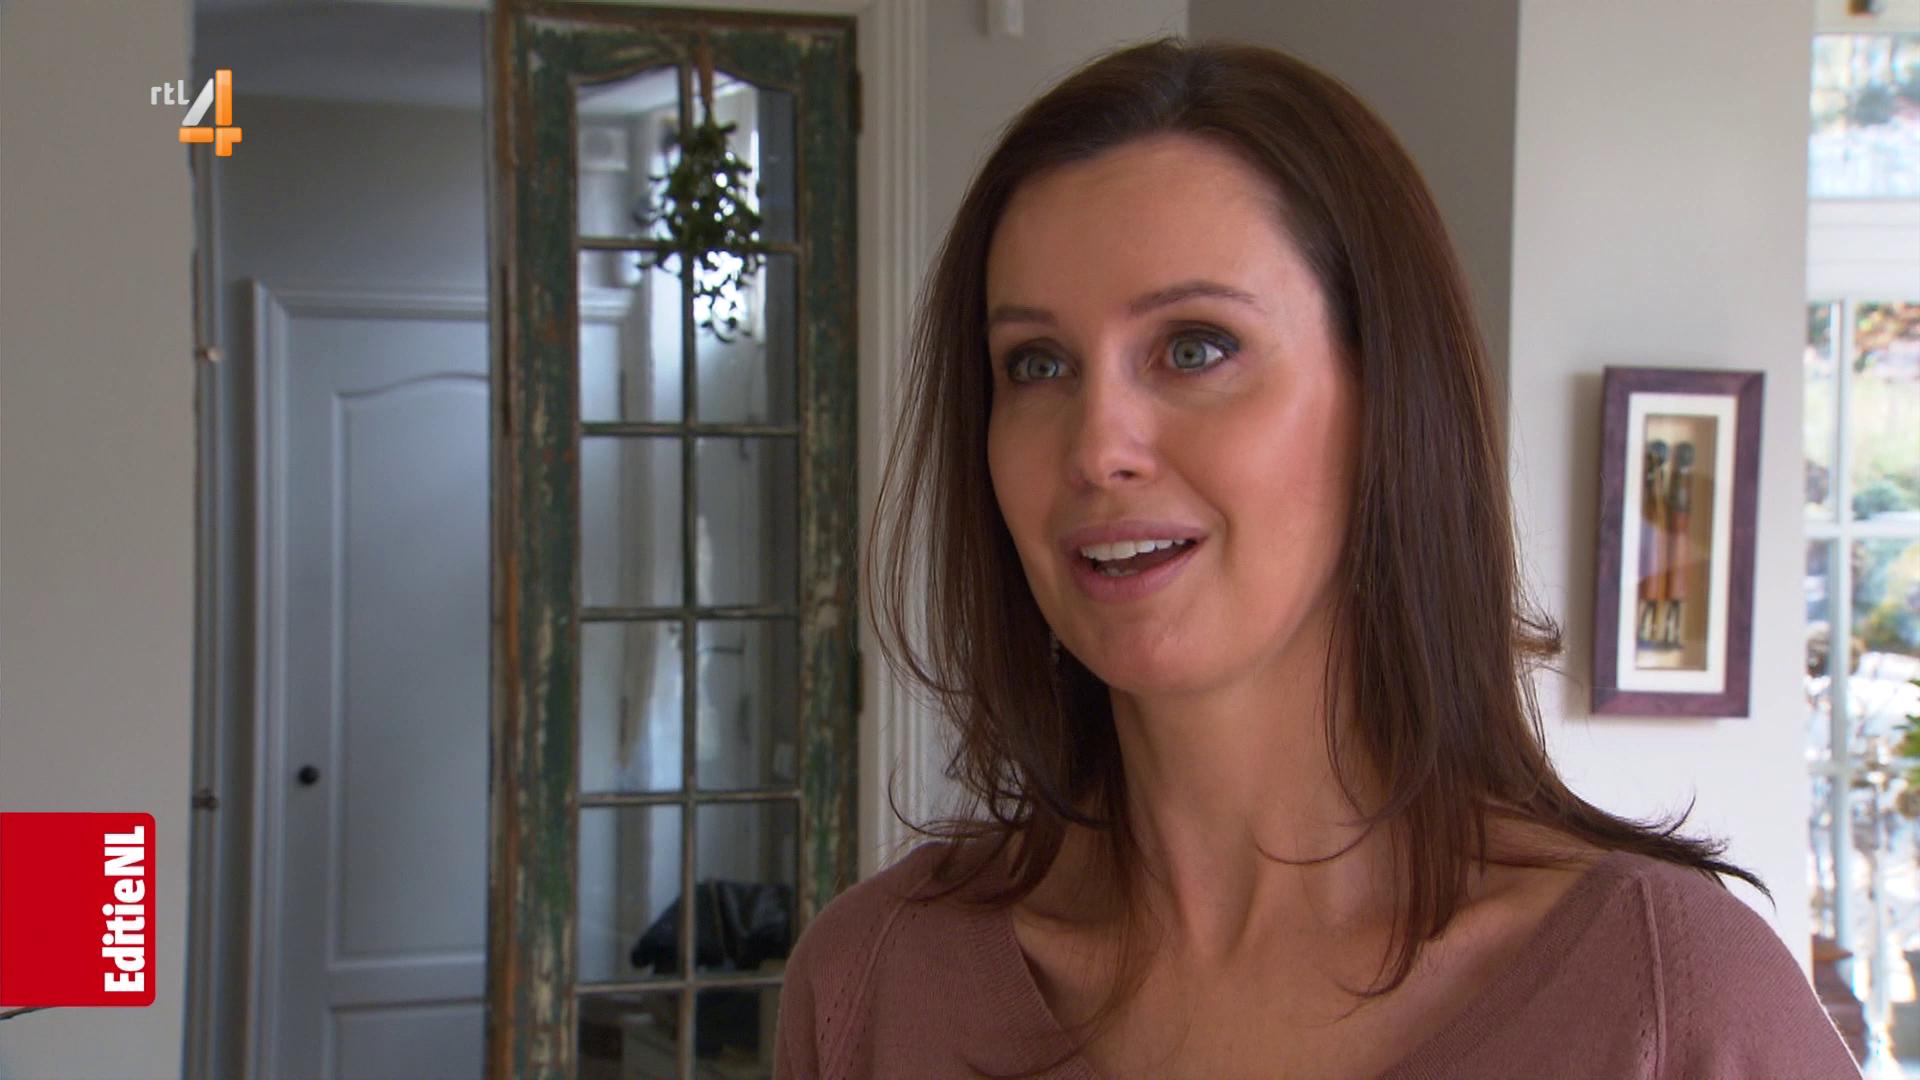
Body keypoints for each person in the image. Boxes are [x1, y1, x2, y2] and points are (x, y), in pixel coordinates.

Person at [774, 38, 1859, 1080]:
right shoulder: (875, 989)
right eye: (1037, 364)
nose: (1097, 447)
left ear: (1387, 399)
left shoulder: (1672, 1007)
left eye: (1194, 347)